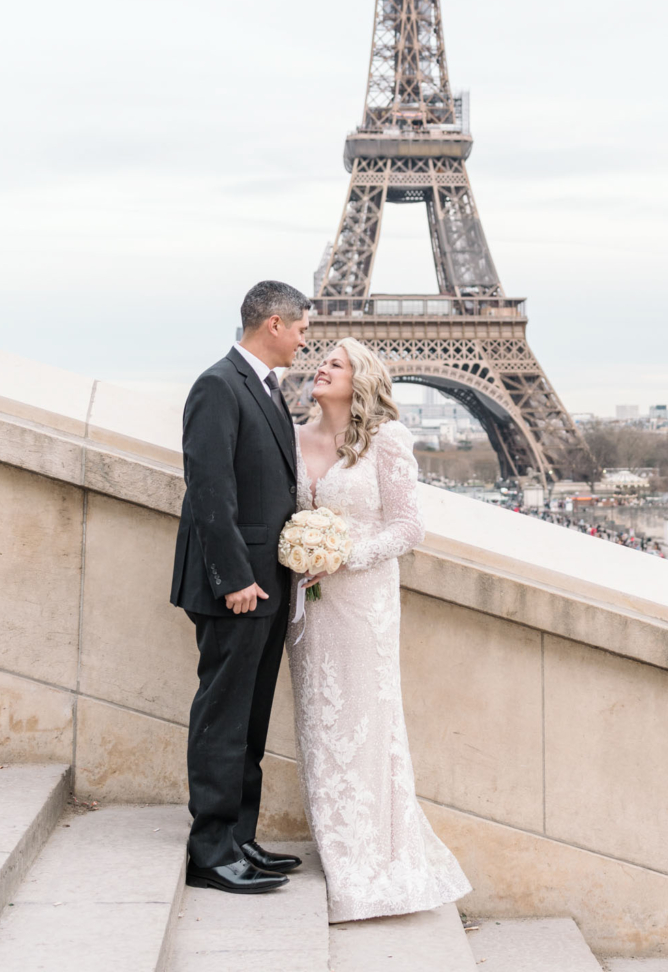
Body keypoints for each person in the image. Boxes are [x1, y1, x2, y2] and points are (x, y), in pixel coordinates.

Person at [289, 337, 471, 922]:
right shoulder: (293, 435)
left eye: (335, 364)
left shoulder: (387, 440)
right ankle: (339, 846)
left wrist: (344, 555)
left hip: (362, 601)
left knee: (366, 724)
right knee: (320, 722)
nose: (321, 367)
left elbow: (408, 527)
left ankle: (371, 859)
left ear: (360, 378)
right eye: (321, 360)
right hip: (309, 603)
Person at [170, 279, 311, 894]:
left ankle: (237, 838)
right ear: (274, 323)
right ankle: (210, 851)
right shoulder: (218, 385)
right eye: (302, 326)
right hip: (240, 586)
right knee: (224, 716)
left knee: (250, 719)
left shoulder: (264, 387)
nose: (307, 338)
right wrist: (234, 579)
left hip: (268, 583)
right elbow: (209, 490)